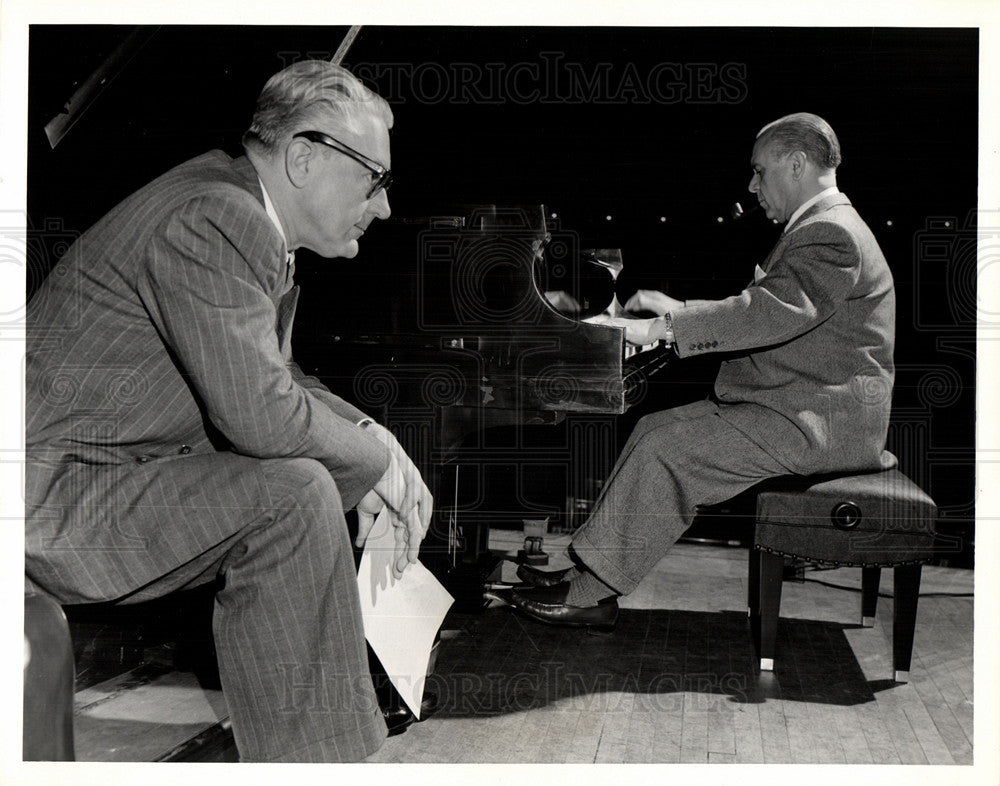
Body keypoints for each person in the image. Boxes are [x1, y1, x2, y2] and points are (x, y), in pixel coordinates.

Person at [25, 60, 432, 762]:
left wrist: (371, 437)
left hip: (94, 480)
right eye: (376, 179)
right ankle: (315, 762)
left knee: (298, 488)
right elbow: (264, 417)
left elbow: (276, 377)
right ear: (304, 157)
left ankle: (311, 757)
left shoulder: (231, 205)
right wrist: (377, 467)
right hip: (48, 501)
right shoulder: (217, 215)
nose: (384, 206)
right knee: (294, 493)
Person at [509, 112, 896, 629]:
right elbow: (770, 305)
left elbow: (765, 315)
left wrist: (661, 327)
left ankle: (590, 596)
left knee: (668, 452)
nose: (752, 185)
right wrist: (680, 308)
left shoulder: (830, 233)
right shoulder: (826, 227)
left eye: (760, 171)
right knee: (654, 429)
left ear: (797, 164)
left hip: (817, 422)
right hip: (801, 404)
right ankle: (588, 571)